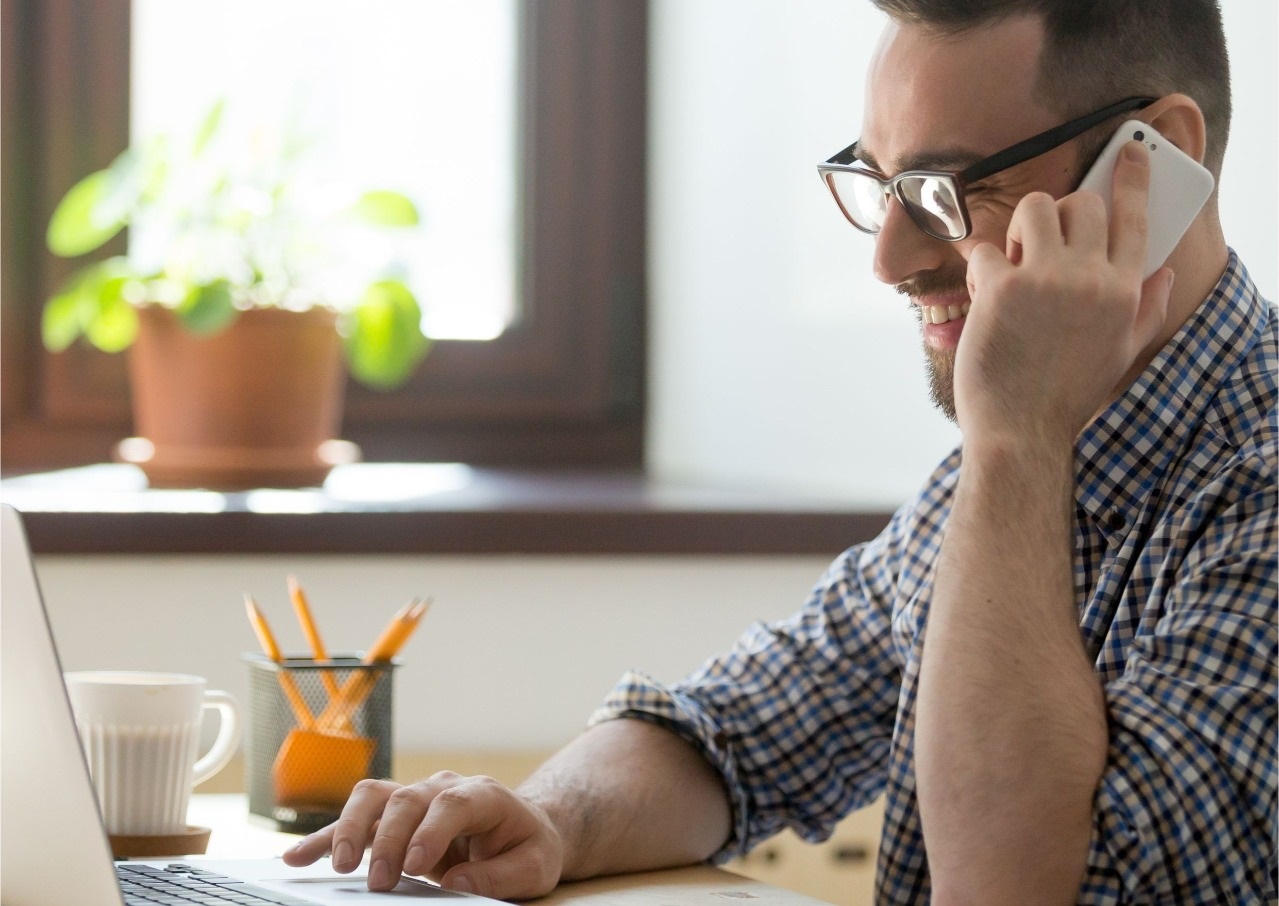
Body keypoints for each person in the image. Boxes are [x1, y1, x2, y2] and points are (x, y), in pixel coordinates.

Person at [284, 1, 1277, 902]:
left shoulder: (1223, 484)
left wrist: (1016, 439)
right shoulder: (1006, 479)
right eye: (880, 183)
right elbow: (732, 734)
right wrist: (547, 820)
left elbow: (1016, 890)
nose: (887, 258)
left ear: (1153, 163)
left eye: (943, 188)